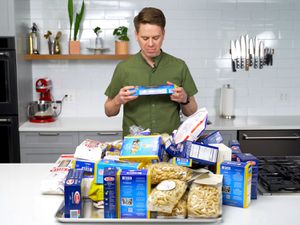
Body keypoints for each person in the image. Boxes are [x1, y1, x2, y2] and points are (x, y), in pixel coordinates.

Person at [104, 7, 198, 136]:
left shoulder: (179, 66)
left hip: (170, 146)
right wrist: (117, 100)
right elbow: (109, 111)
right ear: (136, 35)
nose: (150, 44)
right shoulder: (123, 68)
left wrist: (185, 99)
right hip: (134, 146)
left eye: (156, 37)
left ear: (163, 34)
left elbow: (192, 111)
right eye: (145, 38)